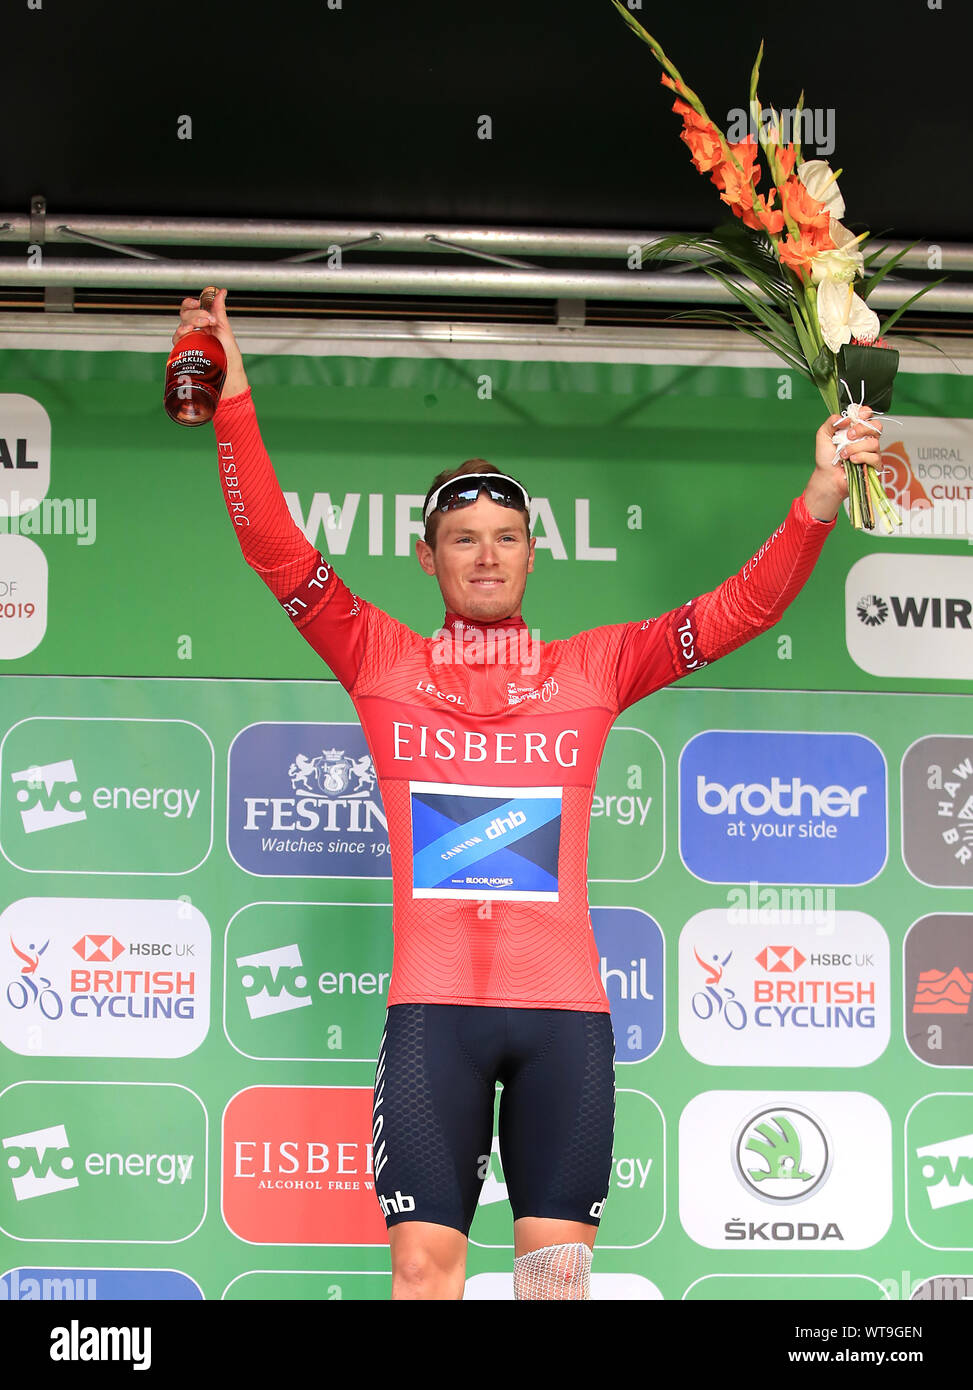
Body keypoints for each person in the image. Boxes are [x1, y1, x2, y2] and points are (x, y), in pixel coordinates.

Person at [173, 289, 882, 1300]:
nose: (487, 554)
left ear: (532, 553)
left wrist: (817, 494)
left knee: (554, 1284)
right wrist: (234, 396)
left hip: (565, 1017)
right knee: (424, 1274)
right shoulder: (377, 656)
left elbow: (740, 609)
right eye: (463, 538)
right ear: (427, 556)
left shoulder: (594, 667)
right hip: (433, 1015)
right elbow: (272, 549)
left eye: (506, 535)